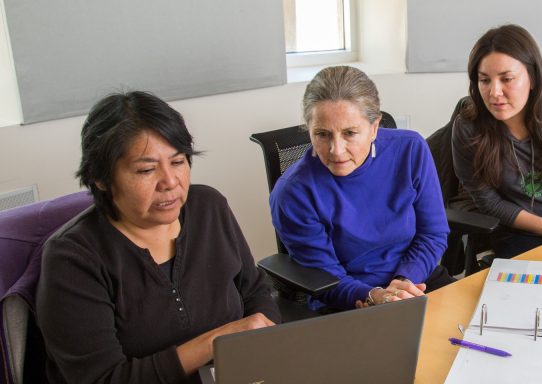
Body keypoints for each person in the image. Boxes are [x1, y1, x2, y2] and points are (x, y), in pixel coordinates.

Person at [36, 91, 279, 384]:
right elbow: (104, 379)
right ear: (100, 178)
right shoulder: (72, 258)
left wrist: (265, 351)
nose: (170, 182)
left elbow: (254, 291)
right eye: (146, 169)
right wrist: (217, 341)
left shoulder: (209, 207)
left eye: (178, 162)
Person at [270, 66, 454, 311]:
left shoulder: (410, 150)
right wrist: (374, 295)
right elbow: (326, 277)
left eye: (350, 133)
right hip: (348, 298)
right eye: (322, 134)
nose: (336, 149)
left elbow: (433, 233)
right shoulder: (292, 193)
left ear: (374, 127)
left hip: (417, 279)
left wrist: (402, 283)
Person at [451, 24, 542, 259]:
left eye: (507, 79)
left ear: (532, 78)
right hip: (519, 230)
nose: (494, 92)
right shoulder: (468, 128)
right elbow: (488, 202)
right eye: (485, 80)